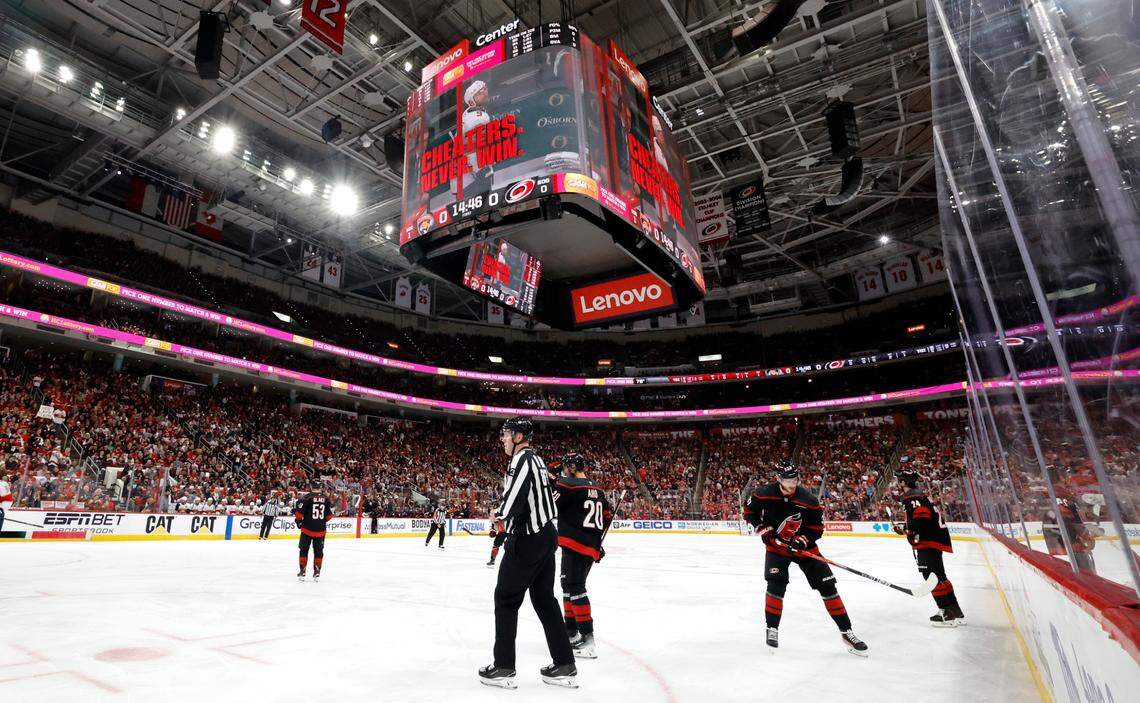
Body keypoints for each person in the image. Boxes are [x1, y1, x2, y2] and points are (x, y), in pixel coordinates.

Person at [479, 417, 576, 690]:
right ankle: (565, 664)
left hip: (529, 539)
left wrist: (499, 515)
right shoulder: (538, 460)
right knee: (545, 600)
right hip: (546, 535)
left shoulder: (521, 460)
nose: (503, 439)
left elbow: (514, 495)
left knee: (506, 598)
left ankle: (504, 667)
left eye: (507, 434)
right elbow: (535, 497)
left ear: (520, 436)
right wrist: (505, 517)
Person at [743, 460, 868, 656]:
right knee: (776, 584)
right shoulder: (763, 493)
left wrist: (802, 540)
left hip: (804, 549)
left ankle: (846, 632)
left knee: (828, 586)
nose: (792, 483)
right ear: (779, 479)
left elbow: (817, 528)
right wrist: (762, 529)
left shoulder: (808, 500)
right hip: (777, 548)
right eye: (788, 479)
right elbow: (749, 512)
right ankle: (772, 629)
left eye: (795, 478)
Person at [553, 452, 612, 659]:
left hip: (575, 543)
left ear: (571, 467)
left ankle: (588, 639)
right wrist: (596, 541)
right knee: (568, 586)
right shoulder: (598, 488)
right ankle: (571, 633)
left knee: (576, 588)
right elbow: (606, 515)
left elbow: (552, 504)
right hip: (589, 547)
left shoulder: (568, 485)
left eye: (565, 467)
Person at [893, 464, 965, 626]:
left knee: (931, 577)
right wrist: (906, 528)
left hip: (928, 542)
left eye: (899, 480)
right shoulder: (920, 496)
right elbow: (921, 519)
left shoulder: (912, 498)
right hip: (934, 540)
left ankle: (946, 614)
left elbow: (921, 518)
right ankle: (954, 610)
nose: (898, 483)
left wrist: (908, 531)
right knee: (940, 577)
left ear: (904, 482)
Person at [294, 483, 334, 581]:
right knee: (318, 552)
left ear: (311, 487)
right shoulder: (326, 498)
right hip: (320, 530)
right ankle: (317, 572)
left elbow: (299, 514)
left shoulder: (307, 497)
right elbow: (329, 516)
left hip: (307, 529)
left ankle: (302, 571)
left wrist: (298, 521)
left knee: (304, 550)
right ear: (320, 488)